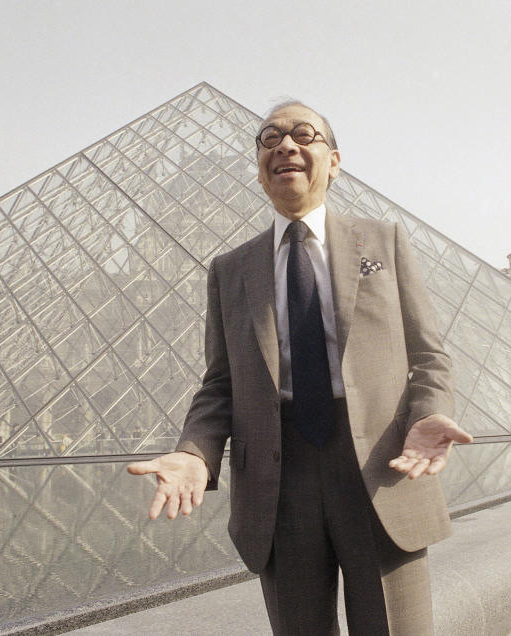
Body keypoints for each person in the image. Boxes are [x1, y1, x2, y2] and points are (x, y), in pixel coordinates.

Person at [128, 101, 472, 635]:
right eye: (269, 139)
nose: (285, 145)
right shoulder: (229, 270)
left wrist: (428, 413)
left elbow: (428, 355)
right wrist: (196, 452)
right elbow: (219, 385)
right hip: (276, 477)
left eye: (303, 135)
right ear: (260, 167)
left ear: (332, 161)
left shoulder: (385, 240)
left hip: (381, 465)